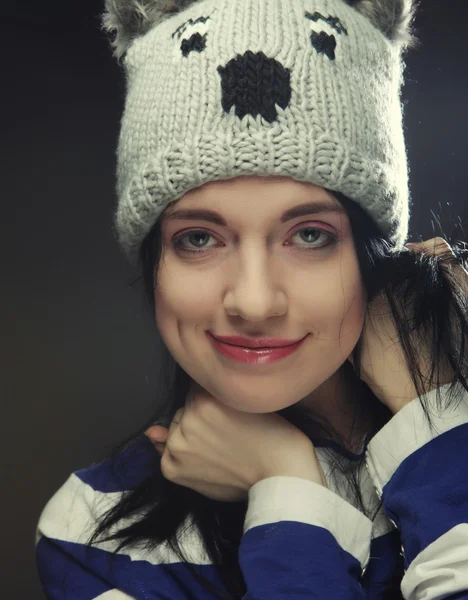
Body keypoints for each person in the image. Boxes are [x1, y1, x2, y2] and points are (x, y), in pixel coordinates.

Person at [35, 0, 468, 598]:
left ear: (374, 257)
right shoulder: (95, 535)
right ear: (153, 262)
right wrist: (288, 486)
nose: (255, 301)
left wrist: (436, 416)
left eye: (310, 235)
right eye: (198, 238)